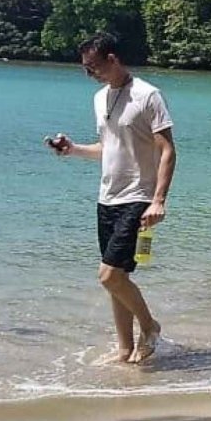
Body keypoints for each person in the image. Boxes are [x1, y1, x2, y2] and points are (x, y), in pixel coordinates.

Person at [46, 32, 176, 365]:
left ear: (113, 59)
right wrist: (73, 150)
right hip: (107, 198)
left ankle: (150, 327)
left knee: (108, 275)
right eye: (85, 69)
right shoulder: (100, 98)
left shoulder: (148, 95)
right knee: (117, 279)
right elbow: (107, 148)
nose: (90, 74)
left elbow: (167, 150)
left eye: (93, 67)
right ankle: (123, 349)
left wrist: (158, 200)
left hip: (138, 197)